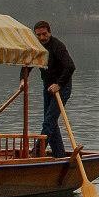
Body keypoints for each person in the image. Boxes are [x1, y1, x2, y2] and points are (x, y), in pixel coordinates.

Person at [33, 20, 75, 159]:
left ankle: (36, 153)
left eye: (44, 34)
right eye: (38, 35)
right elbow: (27, 64)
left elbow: (70, 66)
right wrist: (23, 80)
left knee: (49, 121)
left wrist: (59, 84)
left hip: (62, 87)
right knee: (51, 122)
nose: (42, 38)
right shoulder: (36, 47)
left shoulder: (58, 46)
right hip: (47, 87)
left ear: (49, 32)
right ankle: (60, 156)